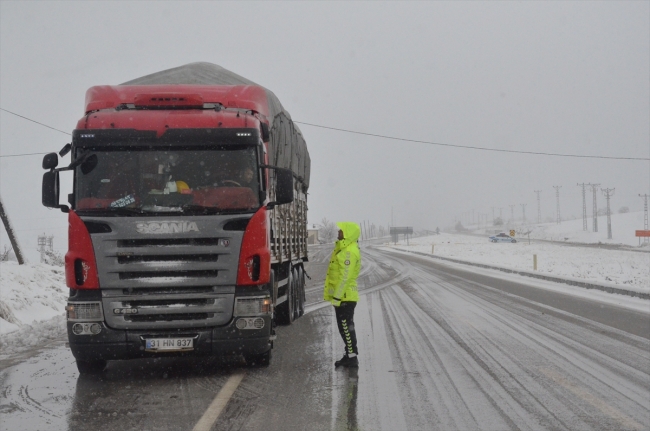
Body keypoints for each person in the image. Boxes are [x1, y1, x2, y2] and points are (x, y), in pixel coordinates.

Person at [324, 222, 361, 368]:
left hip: (345, 297)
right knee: (344, 327)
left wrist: (338, 297)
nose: (338, 232)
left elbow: (345, 277)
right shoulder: (343, 248)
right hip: (342, 296)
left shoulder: (349, 252)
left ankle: (352, 358)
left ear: (348, 233)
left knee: (346, 327)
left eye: (341, 231)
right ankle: (349, 355)